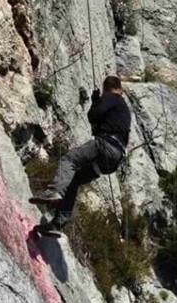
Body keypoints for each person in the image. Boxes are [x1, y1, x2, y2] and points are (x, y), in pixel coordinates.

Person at [30, 75, 131, 230]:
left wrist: (97, 100)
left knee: (68, 160)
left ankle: (55, 191)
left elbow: (93, 115)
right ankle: (58, 223)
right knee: (75, 180)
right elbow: (99, 125)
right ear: (120, 88)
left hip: (105, 146)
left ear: (107, 88)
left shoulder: (112, 97)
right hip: (114, 159)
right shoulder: (123, 109)